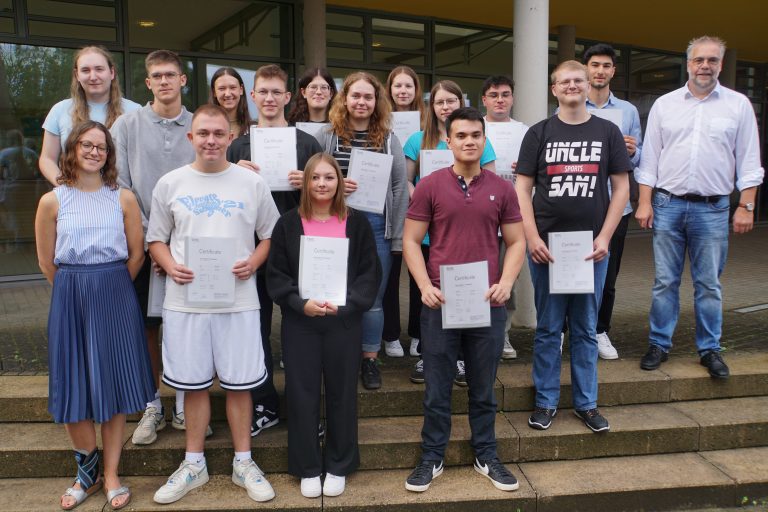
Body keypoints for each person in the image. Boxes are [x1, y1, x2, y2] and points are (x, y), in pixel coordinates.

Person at [148, 104, 279, 505]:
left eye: (218, 134)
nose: (210, 140)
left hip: (238, 300)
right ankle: (193, 463)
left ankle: (243, 461)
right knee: (193, 385)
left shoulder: (251, 183)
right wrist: (170, 265)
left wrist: (254, 262)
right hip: (186, 302)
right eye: (203, 133)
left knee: (240, 383)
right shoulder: (170, 184)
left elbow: (271, 235)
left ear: (229, 138)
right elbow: (156, 238)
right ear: (191, 137)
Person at [403, 107, 525, 493]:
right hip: (440, 300)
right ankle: (431, 456)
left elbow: (517, 241)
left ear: (484, 140)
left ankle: (486, 454)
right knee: (437, 386)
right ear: (449, 141)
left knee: (483, 386)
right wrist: (423, 286)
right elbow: (410, 240)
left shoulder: (502, 188)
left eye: (476, 135)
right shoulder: (430, 185)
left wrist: (507, 281)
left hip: (487, 300)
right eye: (462, 136)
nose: (469, 141)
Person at [35, 120, 155, 510]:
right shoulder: (52, 200)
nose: (93, 151)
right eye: (85, 144)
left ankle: (113, 473)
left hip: (115, 293)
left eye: (100, 147)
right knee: (74, 385)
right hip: (70, 293)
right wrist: (76, 288)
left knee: (113, 385)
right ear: (71, 149)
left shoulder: (123, 198)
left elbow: (137, 254)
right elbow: (45, 260)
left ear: (108, 154)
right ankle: (86, 474)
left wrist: (111, 287)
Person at [635, 36, 764, 378]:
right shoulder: (666, 104)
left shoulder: (738, 106)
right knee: (665, 281)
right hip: (668, 205)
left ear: (720, 64)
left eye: (711, 60)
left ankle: (709, 349)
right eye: (698, 60)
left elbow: (749, 161)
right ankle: (659, 343)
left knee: (708, 284)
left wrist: (746, 206)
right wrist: (644, 202)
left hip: (713, 209)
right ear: (688, 63)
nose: (704, 65)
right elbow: (650, 159)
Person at [515, 60, 631, 434]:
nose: (571, 85)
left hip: (590, 249)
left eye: (577, 80)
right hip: (547, 247)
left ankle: (587, 403)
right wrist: (531, 237)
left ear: (587, 85)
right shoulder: (539, 132)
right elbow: (522, 188)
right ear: (554, 89)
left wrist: (605, 237)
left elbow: (622, 188)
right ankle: (546, 401)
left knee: (584, 327)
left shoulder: (608, 131)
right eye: (564, 81)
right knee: (548, 327)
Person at [266, 153, 381, 498]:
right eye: (315, 177)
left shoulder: (356, 223)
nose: (321, 184)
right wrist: (301, 303)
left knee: (342, 391)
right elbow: (277, 274)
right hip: (301, 322)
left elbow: (369, 272)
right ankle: (307, 466)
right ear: (305, 182)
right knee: (301, 393)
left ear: (339, 183)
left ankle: (339, 463)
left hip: (343, 322)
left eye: (329, 177)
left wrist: (348, 304)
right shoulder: (287, 223)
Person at [227, 64, 323, 437]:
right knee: (257, 331)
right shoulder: (237, 146)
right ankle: (264, 404)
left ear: (288, 98)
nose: (268, 98)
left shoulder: (307, 144)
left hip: (301, 250)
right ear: (253, 97)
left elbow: (328, 200)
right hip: (254, 253)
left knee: (302, 332)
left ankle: (305, 410)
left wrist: (308, 184)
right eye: (262, 91)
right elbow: (226, 201)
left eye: (275, 92)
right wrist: (235, 173)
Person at [111, 49, 201, 446]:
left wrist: (176, 241)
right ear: (148, 83)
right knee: (147, 328)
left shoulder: (200, 125)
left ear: (183, 80)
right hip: (142, 244)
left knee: (186, 325)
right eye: (156, 76)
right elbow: (121, 185)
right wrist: (151, 239)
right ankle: (152, 404)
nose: (164, 81)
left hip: (191, 246)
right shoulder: (126, 126)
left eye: (171, 75)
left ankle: (184, 401)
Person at [315, 71, 408, 390]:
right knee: (332, 291)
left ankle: (370, 359)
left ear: (377, 101)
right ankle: (338, 355)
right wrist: (339, 184)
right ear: (344, 99)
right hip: (333, 223)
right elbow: (316, 177)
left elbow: (399, 185)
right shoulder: (327, 136)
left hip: (375, 225)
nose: (362, 102)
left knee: (373, 298)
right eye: (355, 95)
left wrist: (396, 235)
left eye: (368, 96)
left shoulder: (388, 138)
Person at [404, 80, 497, 385]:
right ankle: (427, 352)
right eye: (440, 102)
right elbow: (406, 180)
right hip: (429, 231)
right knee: (430, 295)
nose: (445, 106)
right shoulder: (417, 140)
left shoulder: (477, 141)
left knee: (468, 292)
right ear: (432, 107)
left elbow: (490, 180)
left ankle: (461, 358)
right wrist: (426, 200)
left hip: (464, 233)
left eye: (451, 101)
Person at [582, 43, 643, 360]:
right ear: (586, 69)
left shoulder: (629, 112)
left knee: (608, 274)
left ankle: (599, 330)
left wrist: (632, 151)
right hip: (579, 203)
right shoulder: (572, 104)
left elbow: (641, 156)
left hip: (617, 207)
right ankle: (574, 330)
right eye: (595, 65)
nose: (600, 71)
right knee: (572, 269)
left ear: (613, 71)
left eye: (606, 65)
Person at [40, 46, 140, 186]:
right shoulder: (60, 110)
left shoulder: (135, 112)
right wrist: (64, 185)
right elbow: (47, 159)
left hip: (120, 198)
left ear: (111, 73)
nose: (93, 77)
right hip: (73, 198)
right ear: (77, 75)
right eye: (85, 70)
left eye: (99, 69)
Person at [481, 75, 529, 360]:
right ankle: (477, 332)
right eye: (494, 94)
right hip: (478, 215)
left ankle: (504, 334)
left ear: (512, 98)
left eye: (505, 94)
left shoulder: (525, 131)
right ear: (484, 100)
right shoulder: (475, 128)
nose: (500, 99)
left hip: (511, 215)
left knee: (507, 277)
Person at [381, 65, 426, 359]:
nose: (403, 91)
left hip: (424, 205)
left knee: (421, 272)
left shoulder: (428, 123)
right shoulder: (380, 120)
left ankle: (419, 334)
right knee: (392, 271)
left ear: (416, 91)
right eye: (397, 86)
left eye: (408, 86)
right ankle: (390, 334)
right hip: (391, 201)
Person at [209, 67, 252, 137]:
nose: (228, 94)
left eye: (232, 87)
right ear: (214, 92)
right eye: (222, 88)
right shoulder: (204, 127)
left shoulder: (254, 130)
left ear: (241, 90)